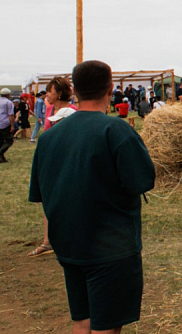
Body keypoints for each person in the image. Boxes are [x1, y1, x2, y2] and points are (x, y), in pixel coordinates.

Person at [29, 60, 155, 333]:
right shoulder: (117, 130)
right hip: (110, 247)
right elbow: (142, 181)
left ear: (74, 90)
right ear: (111, 89)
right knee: (106, 326)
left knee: (82, 320)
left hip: (69, 246)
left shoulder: (49, 139)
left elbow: (39, 193)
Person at [28, 77, 78, 257]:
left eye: (50, 90)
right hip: (50, 159)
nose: (47, 94)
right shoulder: (49, 109)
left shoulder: (72, 112)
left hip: (66, 160)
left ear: (60, 93)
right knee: (47, 199)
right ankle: (47, 241)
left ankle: (69, 238)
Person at [0, 88, 16, 163]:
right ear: (8, 95)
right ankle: (0, 152)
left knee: (0, 141)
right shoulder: (8, 103)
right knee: (9, 140)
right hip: (4, 123)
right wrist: (12, 125)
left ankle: (1, 157)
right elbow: (10, 114)